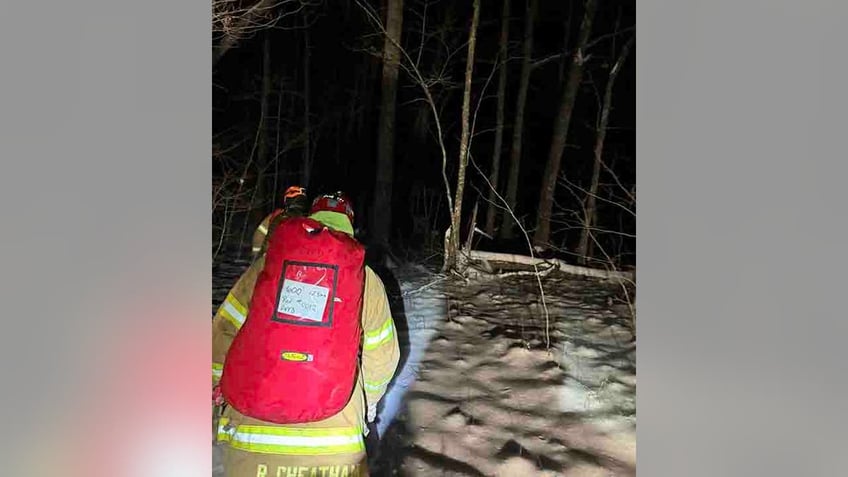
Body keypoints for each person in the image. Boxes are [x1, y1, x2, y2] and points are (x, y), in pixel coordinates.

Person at [212, 191, 400, 477]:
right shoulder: (365, 279)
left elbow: (223, 331)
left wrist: (216, 387)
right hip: (333, 446)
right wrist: (368, 402)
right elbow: (383, 355)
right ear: (350, 227)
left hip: (250, 438)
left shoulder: (265, 268)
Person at [250, 185, 310, 257]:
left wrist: (257, 256)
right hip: (298, 262)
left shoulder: (276, 216)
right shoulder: (310, 220)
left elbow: (259, 236)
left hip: (274, 259)